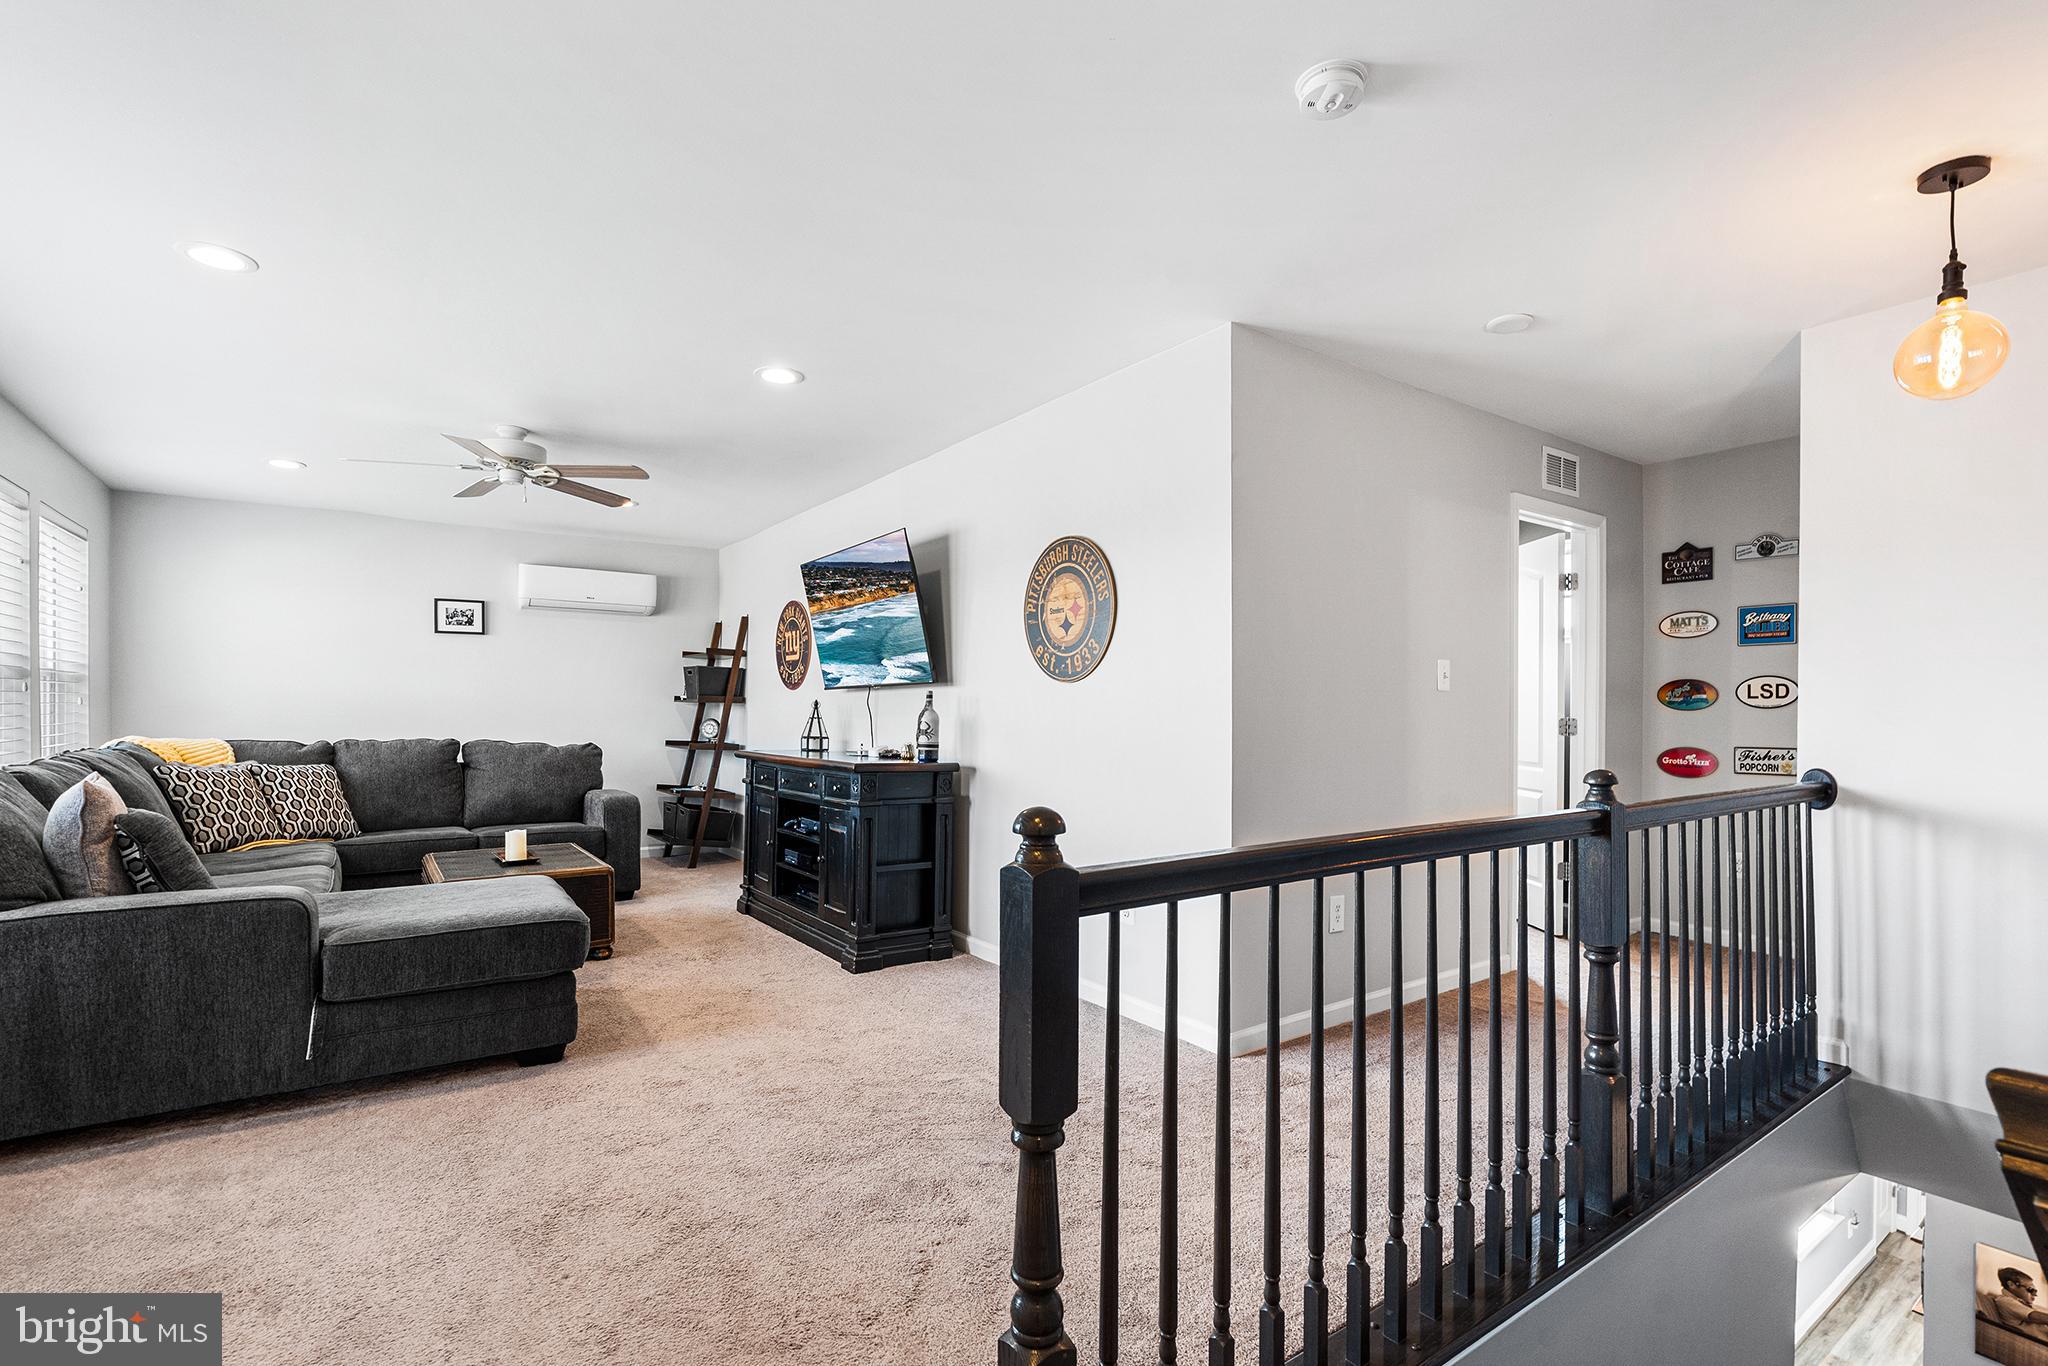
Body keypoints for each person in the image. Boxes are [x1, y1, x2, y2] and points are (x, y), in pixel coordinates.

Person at [1991, 1265, 2048, 1343]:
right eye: (2030, 1290)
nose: (2034, 1295)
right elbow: (2034, 1317)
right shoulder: (2005, 1301)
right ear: (2011, 1285)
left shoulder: (2024, 1303)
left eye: (2035, 1292)